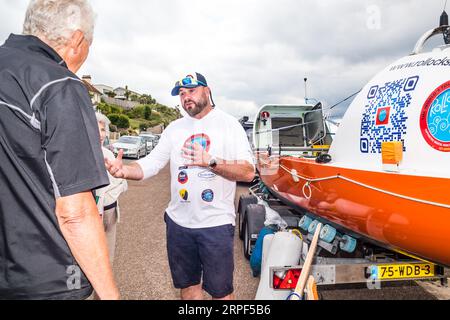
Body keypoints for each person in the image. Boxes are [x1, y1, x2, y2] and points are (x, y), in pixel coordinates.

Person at [0, 0, 119, 300]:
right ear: (77, 40)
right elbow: (75, 213)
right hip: (46, 279)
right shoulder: (59, 84)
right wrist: (111, 295)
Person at [105, 72, 255, 300]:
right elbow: (152, 163)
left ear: (207, 90)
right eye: (182, 94)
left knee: (221, 293)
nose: (186, 98)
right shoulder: (174, 128)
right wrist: (124, 170)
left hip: (215, 224)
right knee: (189, 288)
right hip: (179, 224)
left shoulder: (229, 125)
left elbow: (247, 170)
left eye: (191, 91)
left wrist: (211, 162)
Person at [95, 112, 128, 265]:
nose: (101, 134)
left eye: (102, 129)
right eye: (95, 129)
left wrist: (111, 191)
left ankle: (103, 290)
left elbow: (123, 184)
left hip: (111, 212)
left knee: (108, 260)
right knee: (90, 261)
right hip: (94, 215)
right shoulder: (81, 155)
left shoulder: (108, 153)